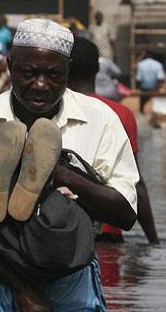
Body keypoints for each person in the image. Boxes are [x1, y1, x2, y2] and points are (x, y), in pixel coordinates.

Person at [0, 18, 139, 312]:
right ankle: (13, 189)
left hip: (71, 272)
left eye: (53, 75)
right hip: (3, 273)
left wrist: (63, 176)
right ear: (10, 65)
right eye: (29, 73)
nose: (40, 84)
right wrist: (22, 288)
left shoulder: (101, 121)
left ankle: (49, 177)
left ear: (68, 70)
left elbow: (125, 215)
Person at [68, 37, 159, 245]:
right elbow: (136, 184)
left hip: (60, 229)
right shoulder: (120, 113)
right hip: (108, 231)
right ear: (97, 69)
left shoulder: (51, 109)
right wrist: (154, 241)